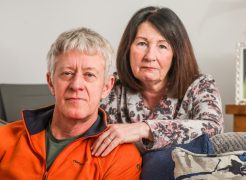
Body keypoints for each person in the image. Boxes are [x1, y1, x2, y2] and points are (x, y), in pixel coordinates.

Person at [0, 27, 141, 179]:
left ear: (106, 87)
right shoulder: (5, 137)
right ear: (51, 82)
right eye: (67, 73)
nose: (76, 85)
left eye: (89, 75)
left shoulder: (121, 157)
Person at [91, 6, 223, 156]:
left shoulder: (201, 85)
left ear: (176, 54)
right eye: (142, 43)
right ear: (128, 49)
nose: (150, 56)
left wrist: (144, 129)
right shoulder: (110, 86)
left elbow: (213, 128)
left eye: (162, 46)